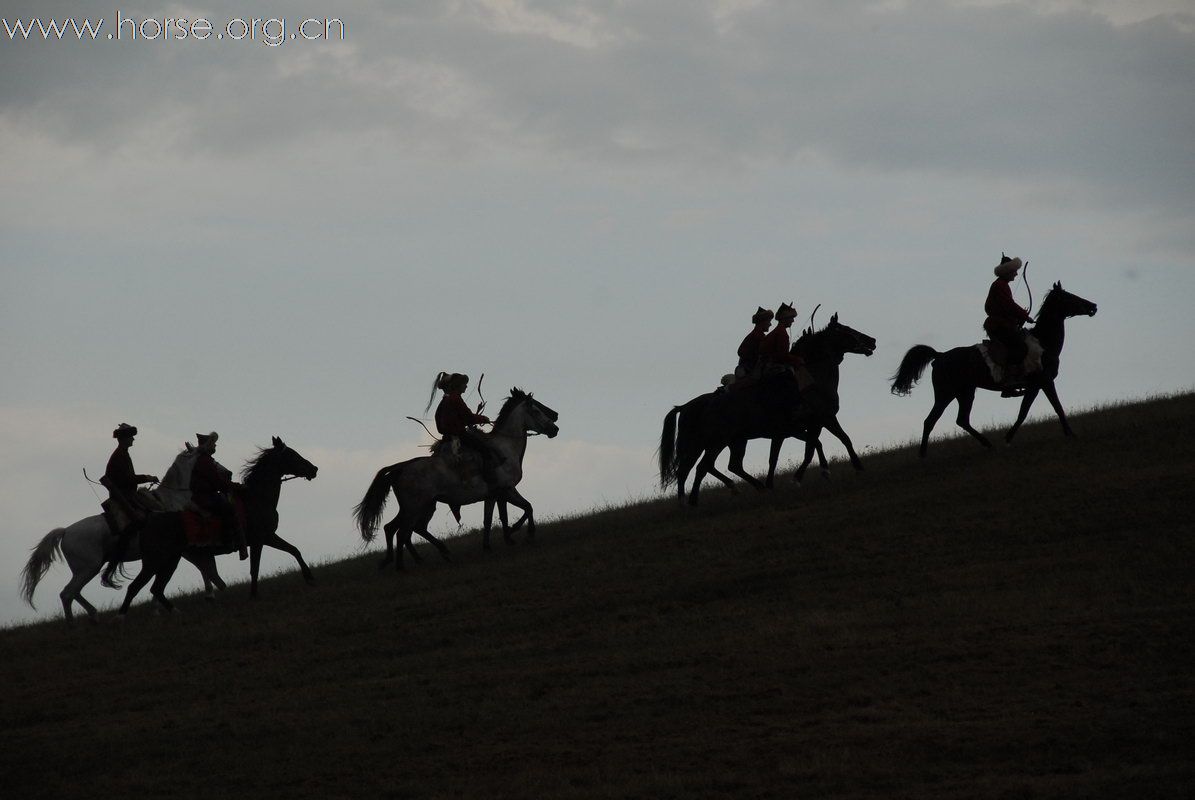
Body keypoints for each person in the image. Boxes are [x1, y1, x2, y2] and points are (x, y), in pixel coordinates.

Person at [99, 423, 159, 587]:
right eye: (130, 437)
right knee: (139, 518)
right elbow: (127, 479)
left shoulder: (122, 454)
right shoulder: (120, 455)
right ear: (124, 439)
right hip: (123, 497)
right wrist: (147, 477)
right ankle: (124, 547)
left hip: (127, 494)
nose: (133, 439)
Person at [428, 372, 505, 482]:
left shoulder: (445, 399)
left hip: (447, 437)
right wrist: (483, 419)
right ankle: (491, 480)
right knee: (485, 449)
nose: (466, 386)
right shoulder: (455, 398)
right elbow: (469, 417)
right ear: (457, 385)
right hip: (459, 436)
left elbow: (444, 419)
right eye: (464, 384)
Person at [190, 432, 247, 560]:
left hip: (203, 495)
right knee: (229, 509)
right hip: (204, 497)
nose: (215, 446)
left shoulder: (203, 459)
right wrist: (235, 487)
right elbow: (217, 481)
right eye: (213, 443)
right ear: (207, 446)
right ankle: (229, 542)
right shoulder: (204, 460)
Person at [984, 254, 1035, 372]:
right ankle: (1009, 373)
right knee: (1019, 347)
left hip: (1000, 324)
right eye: (1014, 271)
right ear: (1008, 272)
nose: (1016, 274)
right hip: (998, 325)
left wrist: (1019, 317)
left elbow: (1006, 307)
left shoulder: (1001, 284)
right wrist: (1025, 316)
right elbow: (1009, 305)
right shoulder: (1000, 285)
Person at [735, 307, 774, 379]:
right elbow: (741, 352)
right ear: (763, 321)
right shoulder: (757, 335)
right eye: (769, 321)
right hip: (749, 370)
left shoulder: (755, 335)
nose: (770, 324)